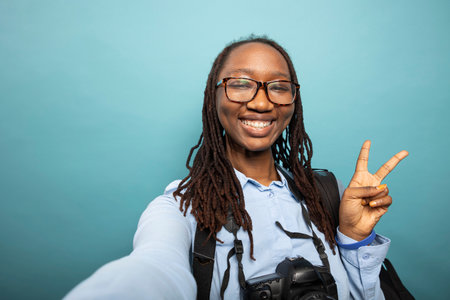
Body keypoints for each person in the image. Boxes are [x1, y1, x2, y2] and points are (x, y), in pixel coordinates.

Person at [64, 36, 408, 300]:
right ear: (213, 97)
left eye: (278, 87)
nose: (261, 102)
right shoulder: (180, 208)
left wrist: (353, 240)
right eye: (241, 84)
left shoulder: (322, 196)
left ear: (293, 101)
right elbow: (154, 267)